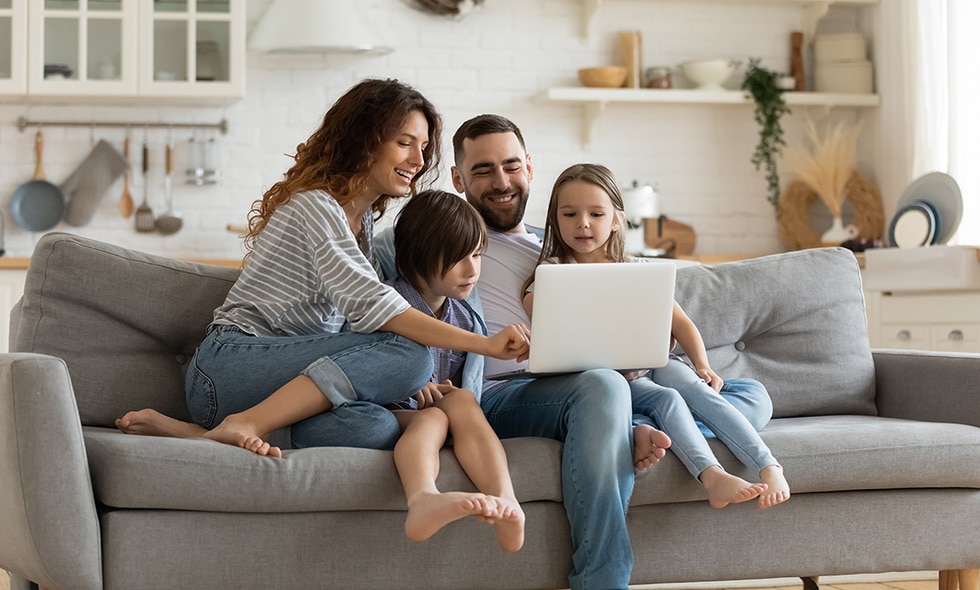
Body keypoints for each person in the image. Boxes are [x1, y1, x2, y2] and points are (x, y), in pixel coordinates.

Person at [389, 113, 772, 590]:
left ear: (529, 166)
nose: (502, 181)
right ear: (459, 179)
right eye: (484, 170)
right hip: (508, 391)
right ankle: (602, 578)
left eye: (511, 166)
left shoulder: (558, 244)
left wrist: (660, 345)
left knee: (751, 395)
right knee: (605, 384)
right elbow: (396, 305)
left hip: (601, 382)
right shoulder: (445, 240)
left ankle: (631, 426)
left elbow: (642, 309)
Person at [115, 79, 530, 459]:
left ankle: (201, 435)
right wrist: (487, 345)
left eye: (423, 147)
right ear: (366, 142)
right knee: (413, 356)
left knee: (377, 426)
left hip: (281, 383)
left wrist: (401, 381)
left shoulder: (363, 225)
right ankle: (244, 423)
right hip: (230, 368)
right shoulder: (317, 206)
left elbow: (358, 333)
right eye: (406, 143)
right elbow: (379, 310)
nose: (419, 160)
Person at [522, 162, 791, 510]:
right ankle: (712, 475)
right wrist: (540, 297)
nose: (582, 223)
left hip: (656, 362)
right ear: (555, 220)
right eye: (570, 214)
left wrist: (703, 365)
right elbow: (541, 320)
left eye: (596, 213)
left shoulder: (637, 269)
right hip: (612, 381)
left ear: (617, 218)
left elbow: (682, 325)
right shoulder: (553, 275)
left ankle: (769, 466)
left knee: (697, 389)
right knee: (669, 400)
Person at [379, 189, 524, 551]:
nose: (472, 269)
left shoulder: (463, 317)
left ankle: (507, 501)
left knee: (460, 403)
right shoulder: (386, 304)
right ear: (417, 258)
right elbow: (361, 367)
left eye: (476, 254)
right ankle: (424, 497)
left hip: (438, 410)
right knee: (435, 420)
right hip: (390, 412)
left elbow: (459, 382)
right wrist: (410, 385)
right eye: (458, 258)